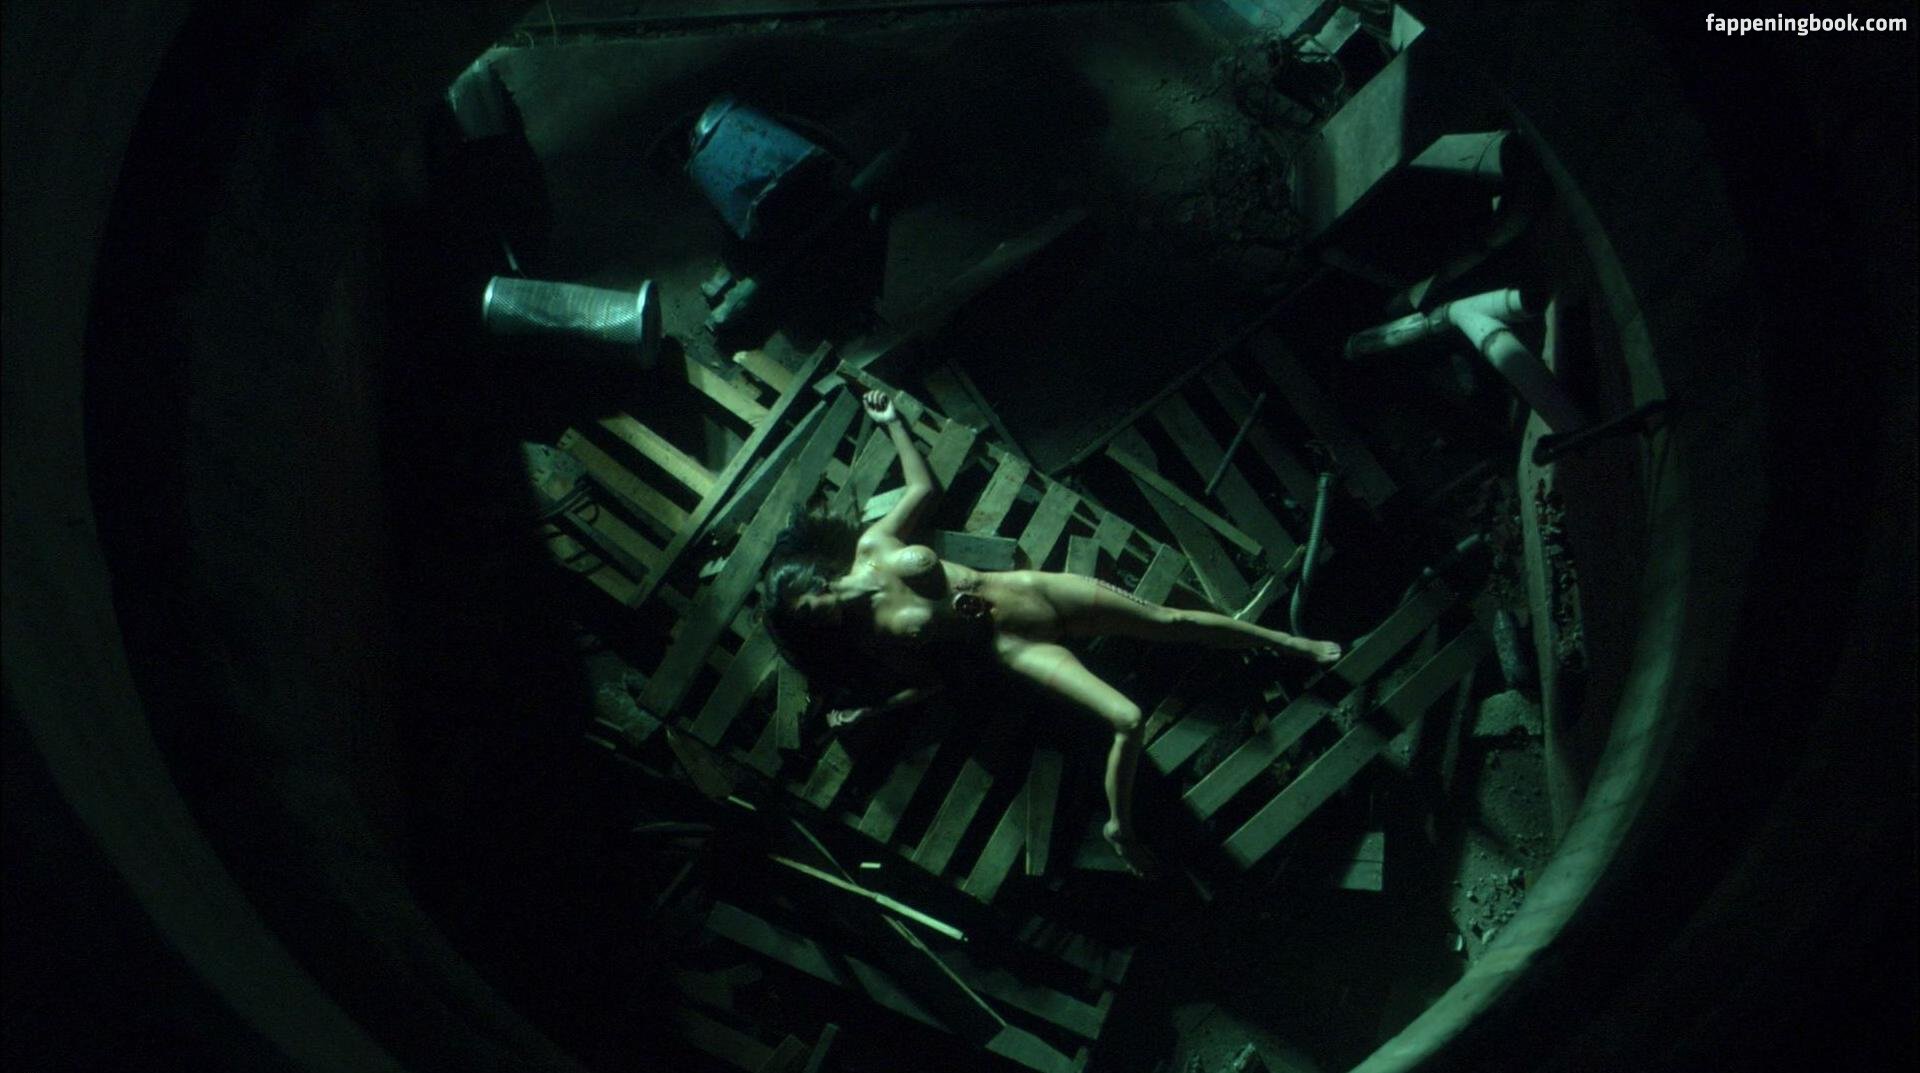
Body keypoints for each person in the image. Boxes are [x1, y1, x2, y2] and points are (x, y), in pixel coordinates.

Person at [760, 390, 1343, 876]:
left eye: (807, 605)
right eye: (807, 623)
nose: (817, 616)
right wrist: (873, 711)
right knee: (1128, 720)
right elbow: (932, 683)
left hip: (1032, 590)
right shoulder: (873, 640)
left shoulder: (873, 546)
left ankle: (1289, 643)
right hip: (1014, 645)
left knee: (1170, 621)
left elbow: (923, 492)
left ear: (811, 581)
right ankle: (1119, 828)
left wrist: (894, 425)